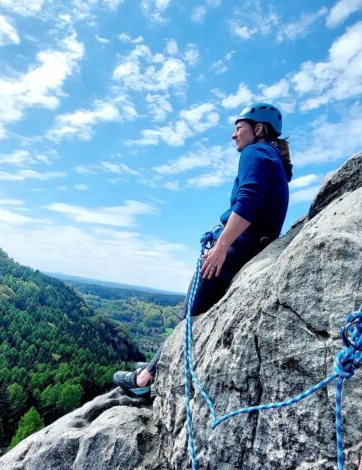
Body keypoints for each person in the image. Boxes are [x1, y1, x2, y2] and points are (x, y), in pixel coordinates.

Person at [114, 102, 292, 396]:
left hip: (238, 249)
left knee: (189, 317)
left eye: (239, 129)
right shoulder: (273, 160)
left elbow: (249, 198)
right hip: (252, 248)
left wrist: (221, 246)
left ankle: (145, 379)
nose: (233, 136)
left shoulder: (256, 152)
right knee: (193, 314)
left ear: (258, 129)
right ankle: (154, 369)